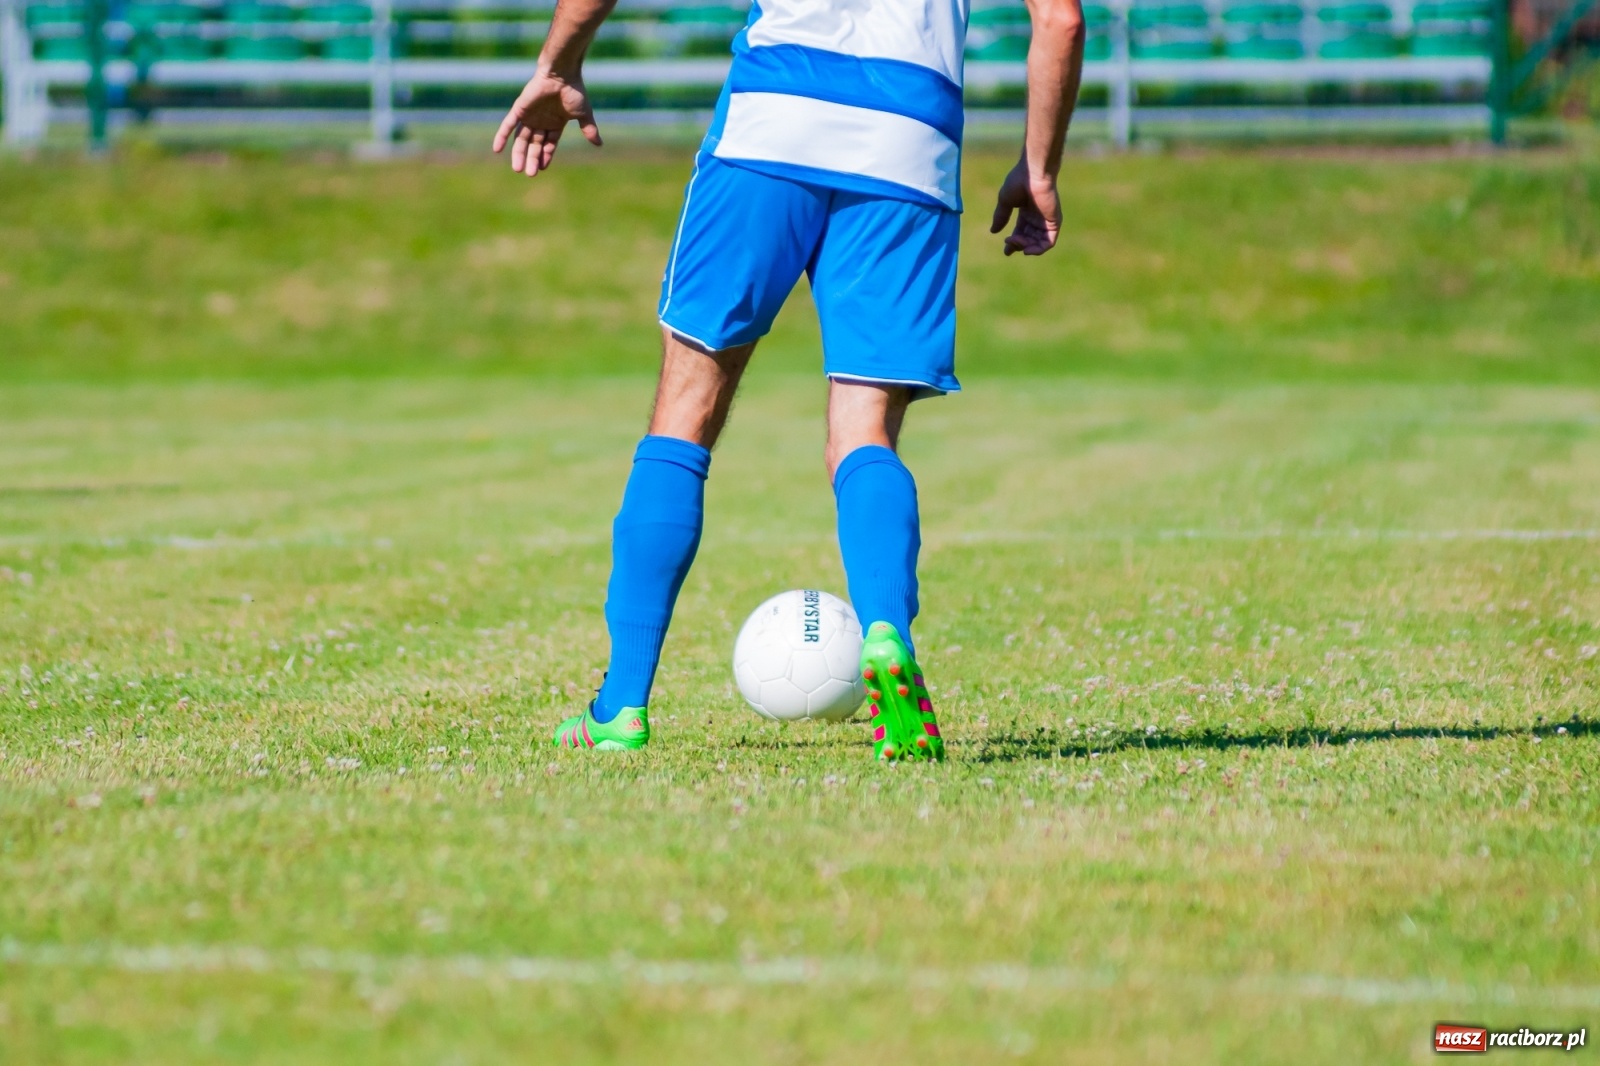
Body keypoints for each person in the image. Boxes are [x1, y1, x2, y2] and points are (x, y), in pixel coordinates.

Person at [494, 0, 1085, 760]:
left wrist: (558, 63)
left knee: (684, 411)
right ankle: (885, 634)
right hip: (908, 136)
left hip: (772, 119)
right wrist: (1039, 168)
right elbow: (1061, 21)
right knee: (864, 429)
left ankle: (623, 706)